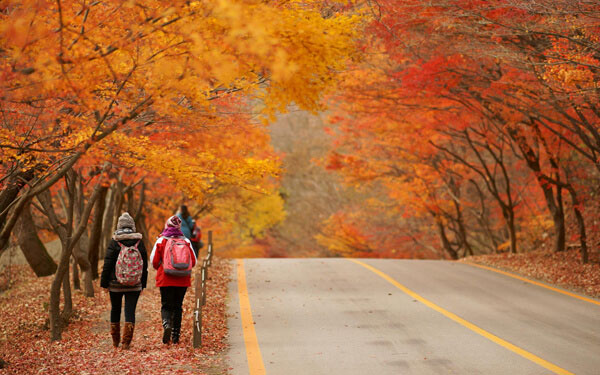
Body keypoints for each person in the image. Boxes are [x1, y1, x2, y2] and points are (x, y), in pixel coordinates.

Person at [100, 212, 148, 349]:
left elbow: (108, 263)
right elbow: (144, 265)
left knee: (115, 309)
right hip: (135, 283)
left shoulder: (115, 241)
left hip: (115, 284)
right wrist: (143, 284)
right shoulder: (139, 242)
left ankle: (115, 341)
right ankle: (126, 342)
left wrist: (104, 283)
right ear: (132, 226)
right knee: (130, 311)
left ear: (119, 226)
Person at [150, 215, 197, 344]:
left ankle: (167, 325)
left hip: (165, 278)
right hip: (182, 279)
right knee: (178, 306)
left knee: (166, 305)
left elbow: (153, 261)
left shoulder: (161, 240)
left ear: (167, 225)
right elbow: (193, 261)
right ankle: (176, 336)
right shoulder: (186, 241)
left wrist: (160, 267)